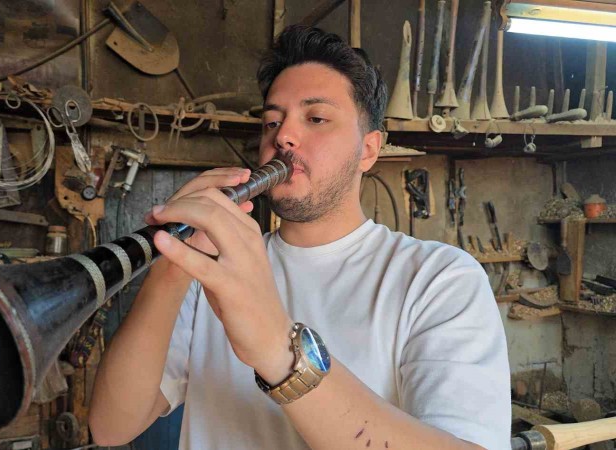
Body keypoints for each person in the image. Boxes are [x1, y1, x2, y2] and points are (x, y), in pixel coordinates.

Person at [89, 25, 511, 450]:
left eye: (316, 118)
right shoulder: (207, 272)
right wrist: (171, 267)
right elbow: (111, 428)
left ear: (368, 150)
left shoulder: (440, 278)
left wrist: (278, 350)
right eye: (272, 122)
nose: (282, 137)